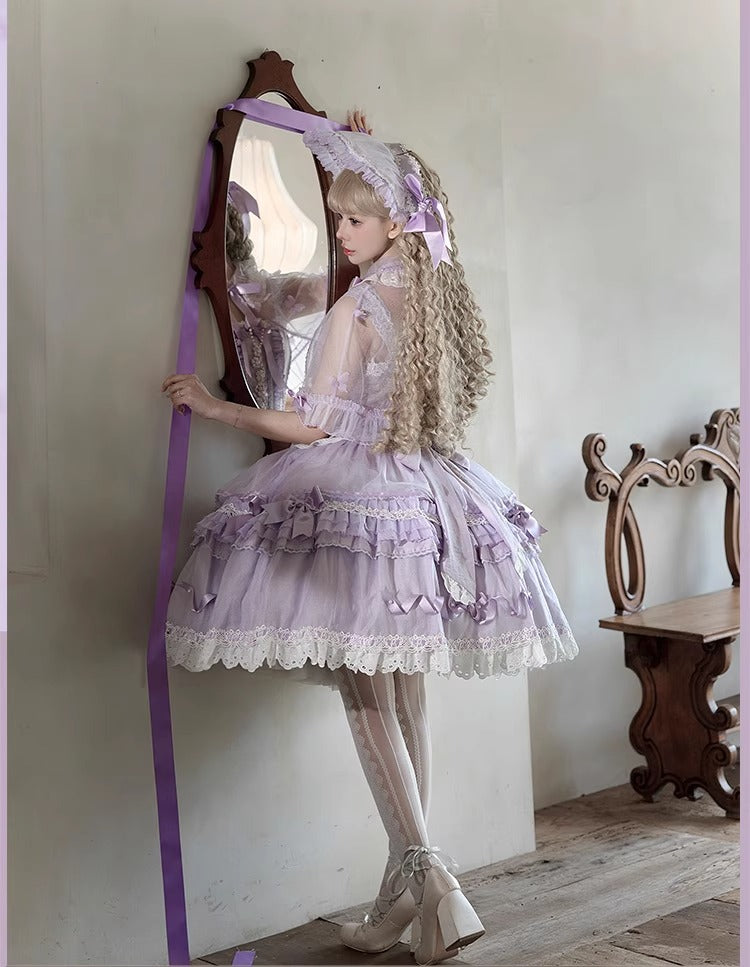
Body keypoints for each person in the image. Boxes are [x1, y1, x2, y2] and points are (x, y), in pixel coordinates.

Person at [161, 108, 579, 965]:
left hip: (362, 499)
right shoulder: (430, 292)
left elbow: (312, 425)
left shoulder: (357, 306)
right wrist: (375, 149)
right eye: (339, 216)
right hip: (427, 491)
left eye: (354, 218)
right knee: (403, 683)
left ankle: (432, 879)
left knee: (365, 690)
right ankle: (405, 894)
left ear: (393, 222)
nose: (341, 231)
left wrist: (214, 405)